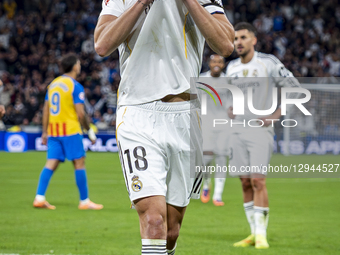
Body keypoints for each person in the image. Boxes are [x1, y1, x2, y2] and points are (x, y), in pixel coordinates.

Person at [95, 0, 234, 254]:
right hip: (138, 112)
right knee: (154, 221)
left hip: (186, 118)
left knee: (171, 231)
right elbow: (102, 44)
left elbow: (225, 44)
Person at [226, 22, 300, 249]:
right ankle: (252, 232)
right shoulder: (232, 68)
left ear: (254, 40)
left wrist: (276, 114)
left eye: (243, 37)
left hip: (260, 130)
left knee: (258, 180)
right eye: (236, 38)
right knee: (245, 182)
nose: (238, 42)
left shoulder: (268, 63)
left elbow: (295, 88)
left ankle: (261, 235)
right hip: (237, 130)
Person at [33, 54, 103, 210]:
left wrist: (44, 132)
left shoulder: (53, 85)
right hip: (70, 130)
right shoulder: (75, 86)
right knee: (79, 162)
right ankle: (84, 202)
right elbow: (80, 113)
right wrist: (89, 129)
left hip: (54, 131)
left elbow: (46, 110)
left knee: (51, 163)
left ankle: (39, 198)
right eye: (78, 64)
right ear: (75, 66)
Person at [199, 54, 230, 206]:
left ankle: (217, 195)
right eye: (214, 61)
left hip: (224, 124)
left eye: (219, 62)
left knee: (221, 158)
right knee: (205, 159)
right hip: (206, 123)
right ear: (209, 63)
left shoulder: (229, 80)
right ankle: (206, 185)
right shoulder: (201, 79)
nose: (216, 64)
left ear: (223, 65)